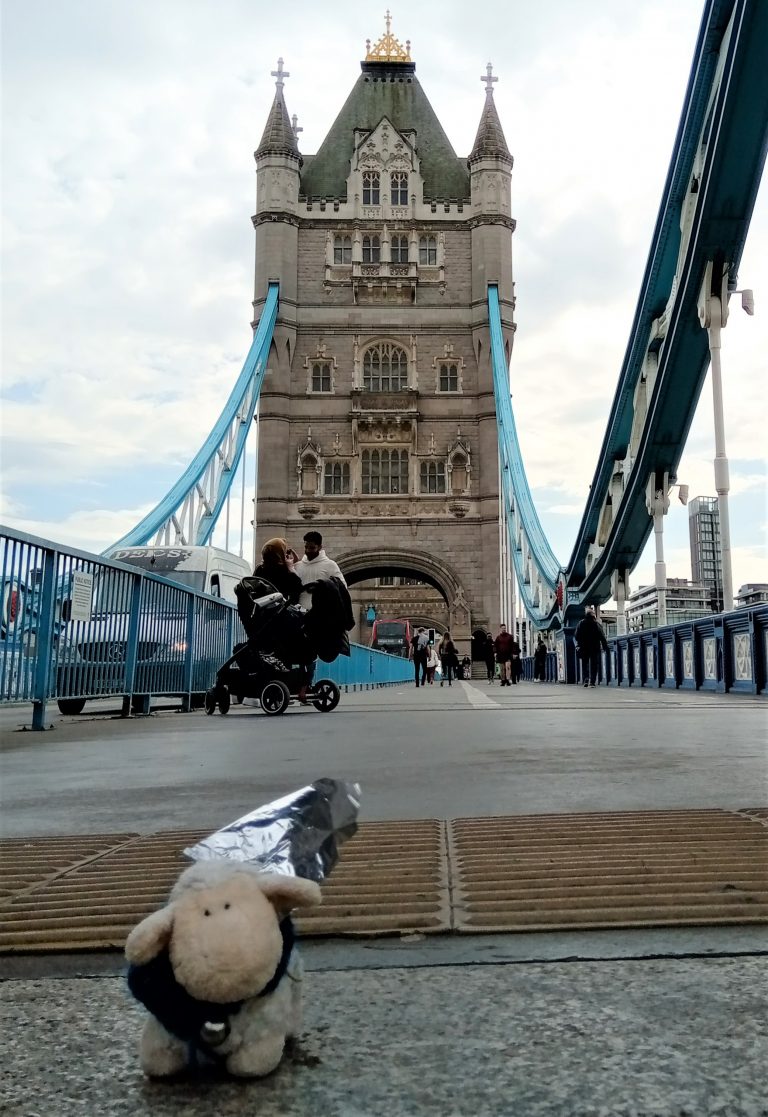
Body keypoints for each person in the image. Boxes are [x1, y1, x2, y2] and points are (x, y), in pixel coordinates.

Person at [294, 531, 346, 611]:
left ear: (320, 547)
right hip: (300, 615)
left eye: (312, 548)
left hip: (323, 615)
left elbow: (342, 588)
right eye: (306, 547)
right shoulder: (297, 566)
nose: (308, 550)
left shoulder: (330, 565)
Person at [252, 538, 303, 603]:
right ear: (280, 553)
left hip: (260, 608)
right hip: (279, 610)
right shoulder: (284, 570)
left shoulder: (260, 568)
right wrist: (291, 568)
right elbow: (298, 588)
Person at [574, 608, 609, 687]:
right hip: (594, 647)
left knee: (585, 664)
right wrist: (605, 647)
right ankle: (592, 682)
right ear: (594, 616)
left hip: (584, 647)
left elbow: (576, 636)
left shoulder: (581, 623)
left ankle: (586, 679)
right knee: (594, 664)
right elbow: (602, 636)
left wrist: (579, 644)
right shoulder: (596, 624)